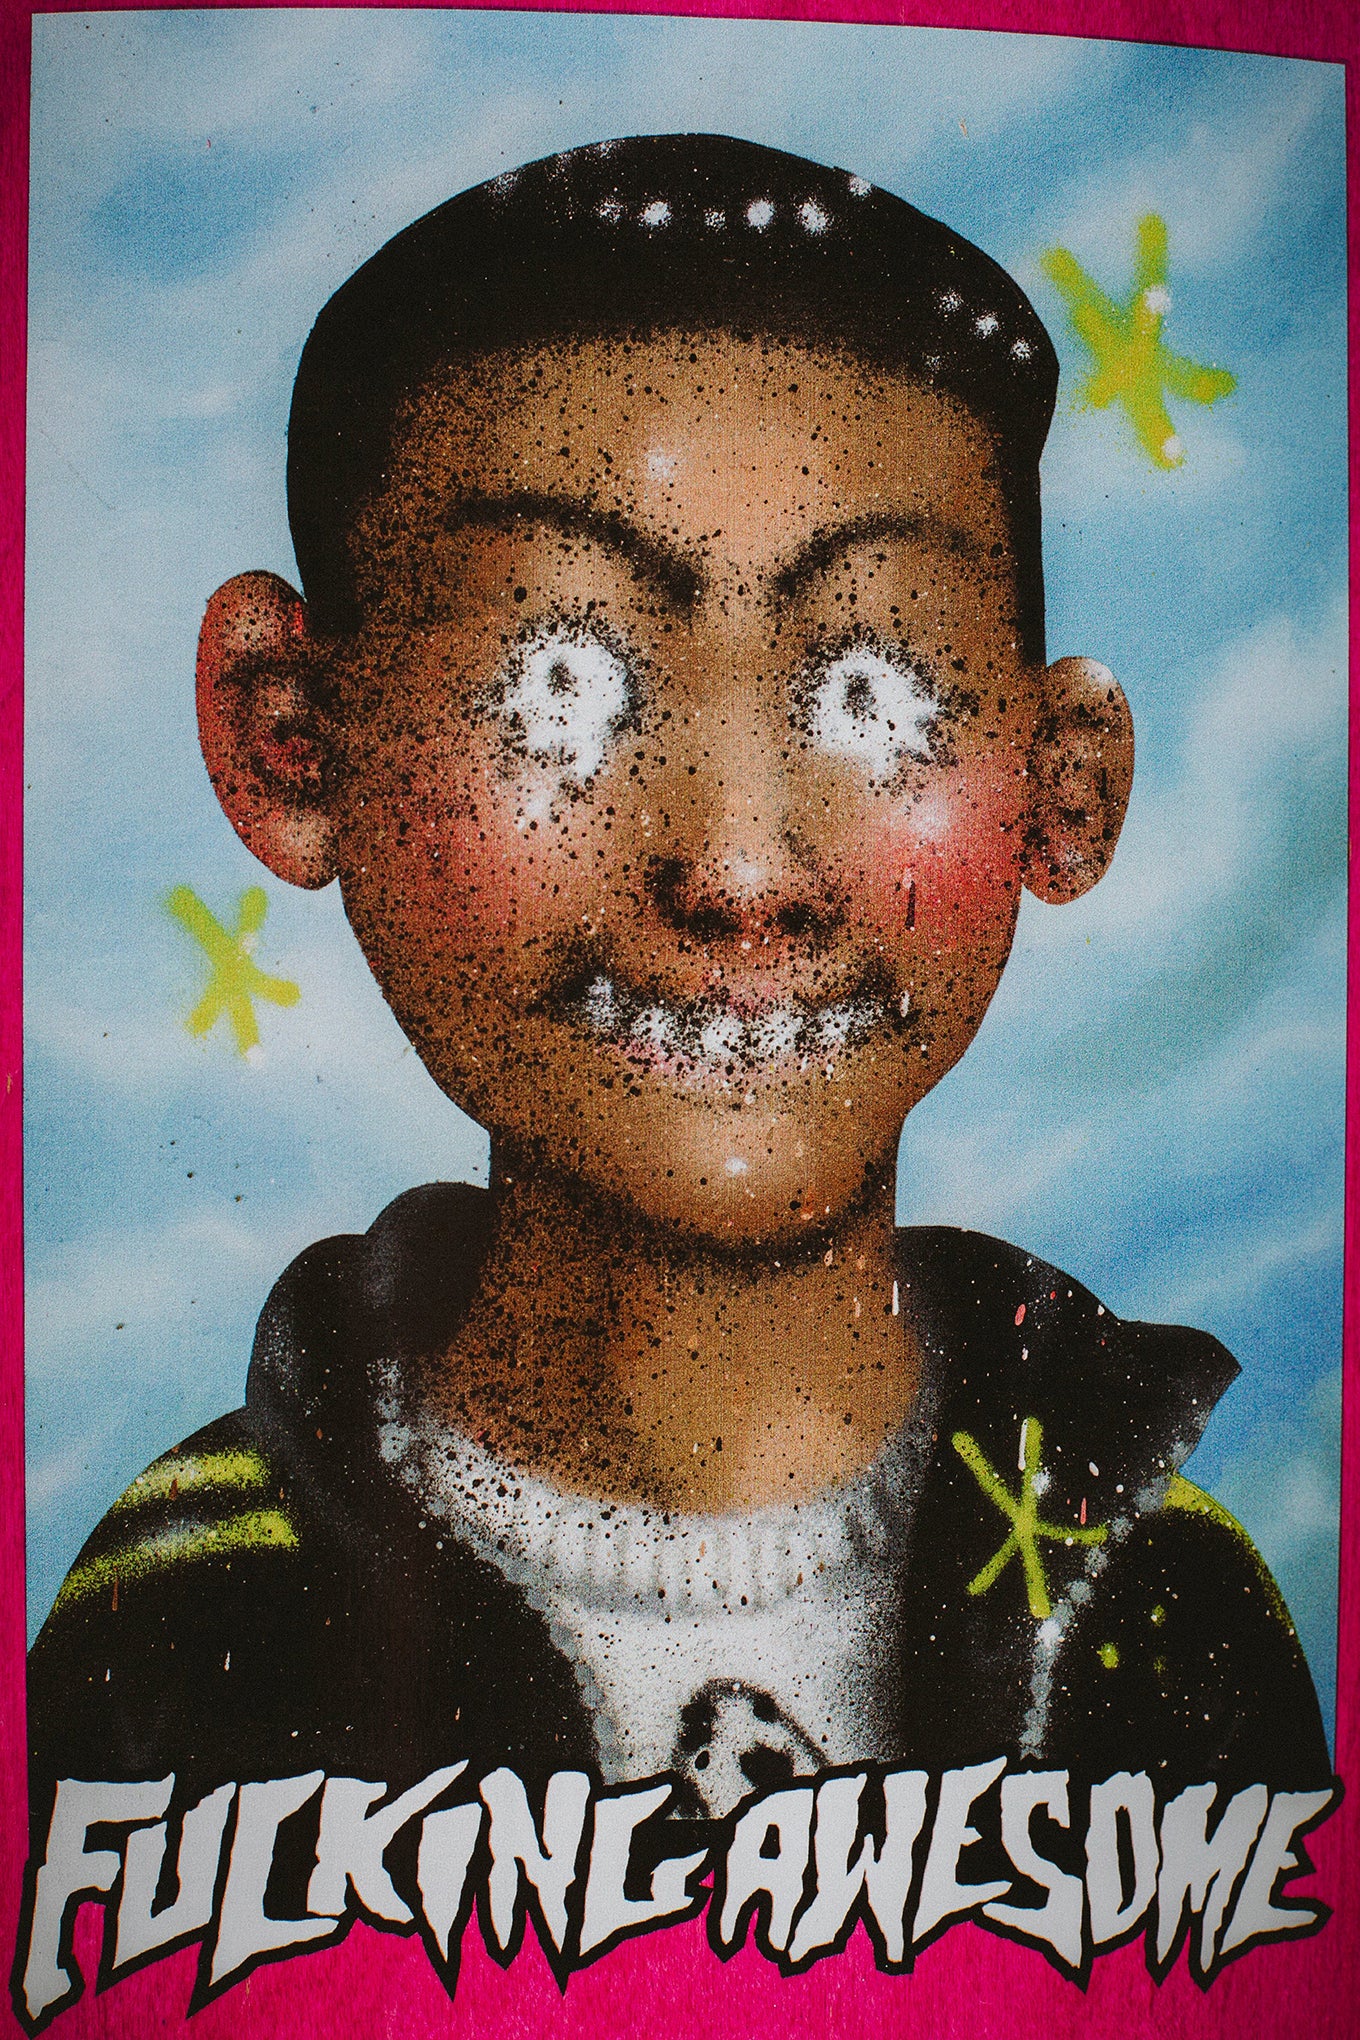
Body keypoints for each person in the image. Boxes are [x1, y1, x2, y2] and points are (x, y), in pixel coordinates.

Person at [28, 136, 1328, 1827]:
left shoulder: (1158, 1593)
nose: (738, 866)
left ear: (1062, 784)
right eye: (557, 683)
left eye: (873, 693)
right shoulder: (190, 1611)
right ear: (293, 740)